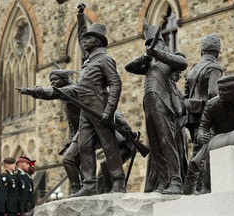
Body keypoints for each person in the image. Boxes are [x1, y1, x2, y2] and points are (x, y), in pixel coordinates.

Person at [125, 21, 188, 194]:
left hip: (163, 103)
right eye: (146, 44)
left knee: (166, 141)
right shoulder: (149, 65)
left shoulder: (168, 60)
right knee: (155, 145)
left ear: (161, 43)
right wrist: (145, 57)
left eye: (150, 43)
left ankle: (176, 182)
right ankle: (163, 181)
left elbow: (183, 62)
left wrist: (158, 54)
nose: (148, 46)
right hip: (149, 104)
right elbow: (128, 67)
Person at [70, 3, 126, 197]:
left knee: (109, 145)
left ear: (98, 41)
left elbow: (116, 84)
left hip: (100, 106)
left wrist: (109, 110)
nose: (84, 41)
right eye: (84, 39)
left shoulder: (104, 60)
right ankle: (89, 184)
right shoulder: (89, 59)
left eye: (89, 39)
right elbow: (80, 35)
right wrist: (79, 16)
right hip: (85, 109)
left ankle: (118, 181)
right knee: (84, 146)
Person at [183, 75, 234, 195]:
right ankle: (195, 190)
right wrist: (201, 136)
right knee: (196, 162)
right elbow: (203, 126)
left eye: (224, 90)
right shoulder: (212, 104)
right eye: (219, 89)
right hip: (216, 139)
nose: (220, 92)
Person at [184, 33, 223, 157]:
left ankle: (194, 174)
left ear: (202, 52)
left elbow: (186, 94)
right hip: (206, 115)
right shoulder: (214, 68)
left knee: (197, 149)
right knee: (206, 150)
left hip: (191, 116)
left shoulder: (192, 70)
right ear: (216, 53)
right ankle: (199, 175)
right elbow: (213, 93)